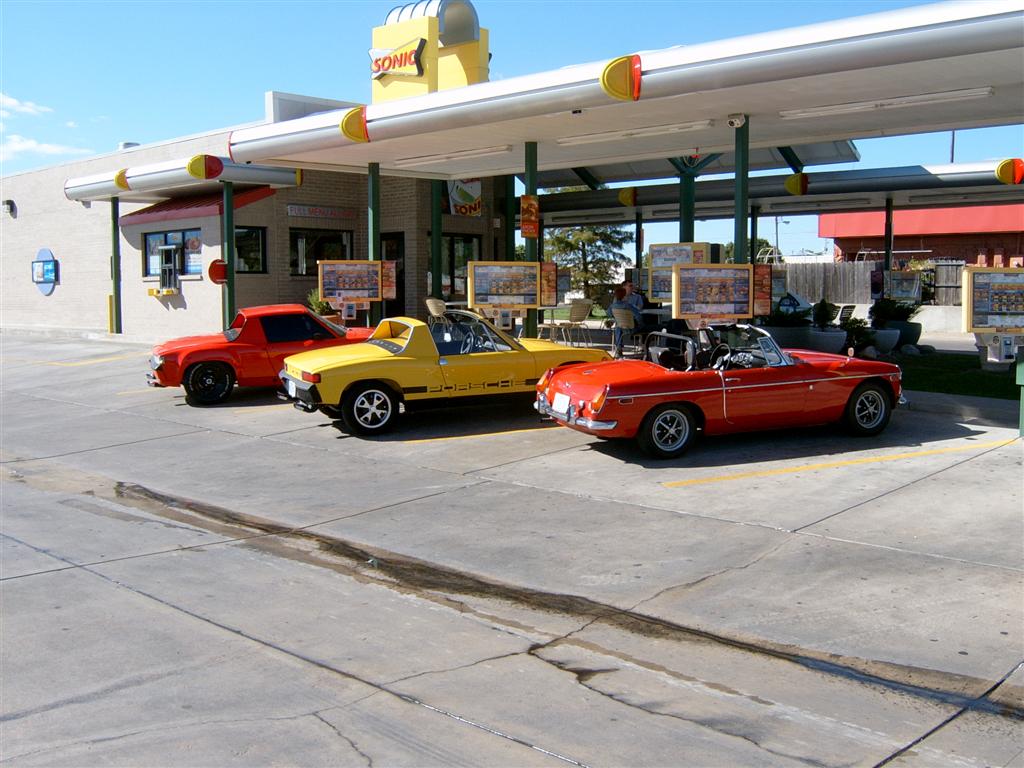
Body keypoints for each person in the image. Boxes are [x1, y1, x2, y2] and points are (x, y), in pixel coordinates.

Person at [609, 286, 659, 356]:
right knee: (654, 327)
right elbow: (639, 317)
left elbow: (609, 314)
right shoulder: (628, 306)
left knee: (618, 327)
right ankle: (646, 348)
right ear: (624, 296)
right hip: (633, 329)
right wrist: (641, 324)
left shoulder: (612, 306)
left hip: (621, 328)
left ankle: (619, 348)